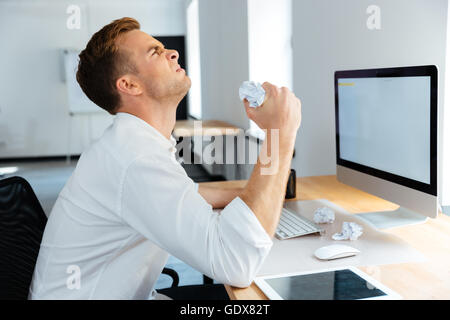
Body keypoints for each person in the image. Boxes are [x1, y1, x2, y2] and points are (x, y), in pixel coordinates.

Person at [29, 17, 301, 300]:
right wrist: (278, 133)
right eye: (155, 52)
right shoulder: (135, 158)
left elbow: (187, 192)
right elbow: (235, 262)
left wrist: (254, 195)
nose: (173, 53)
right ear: (130, 85)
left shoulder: (132, 143)